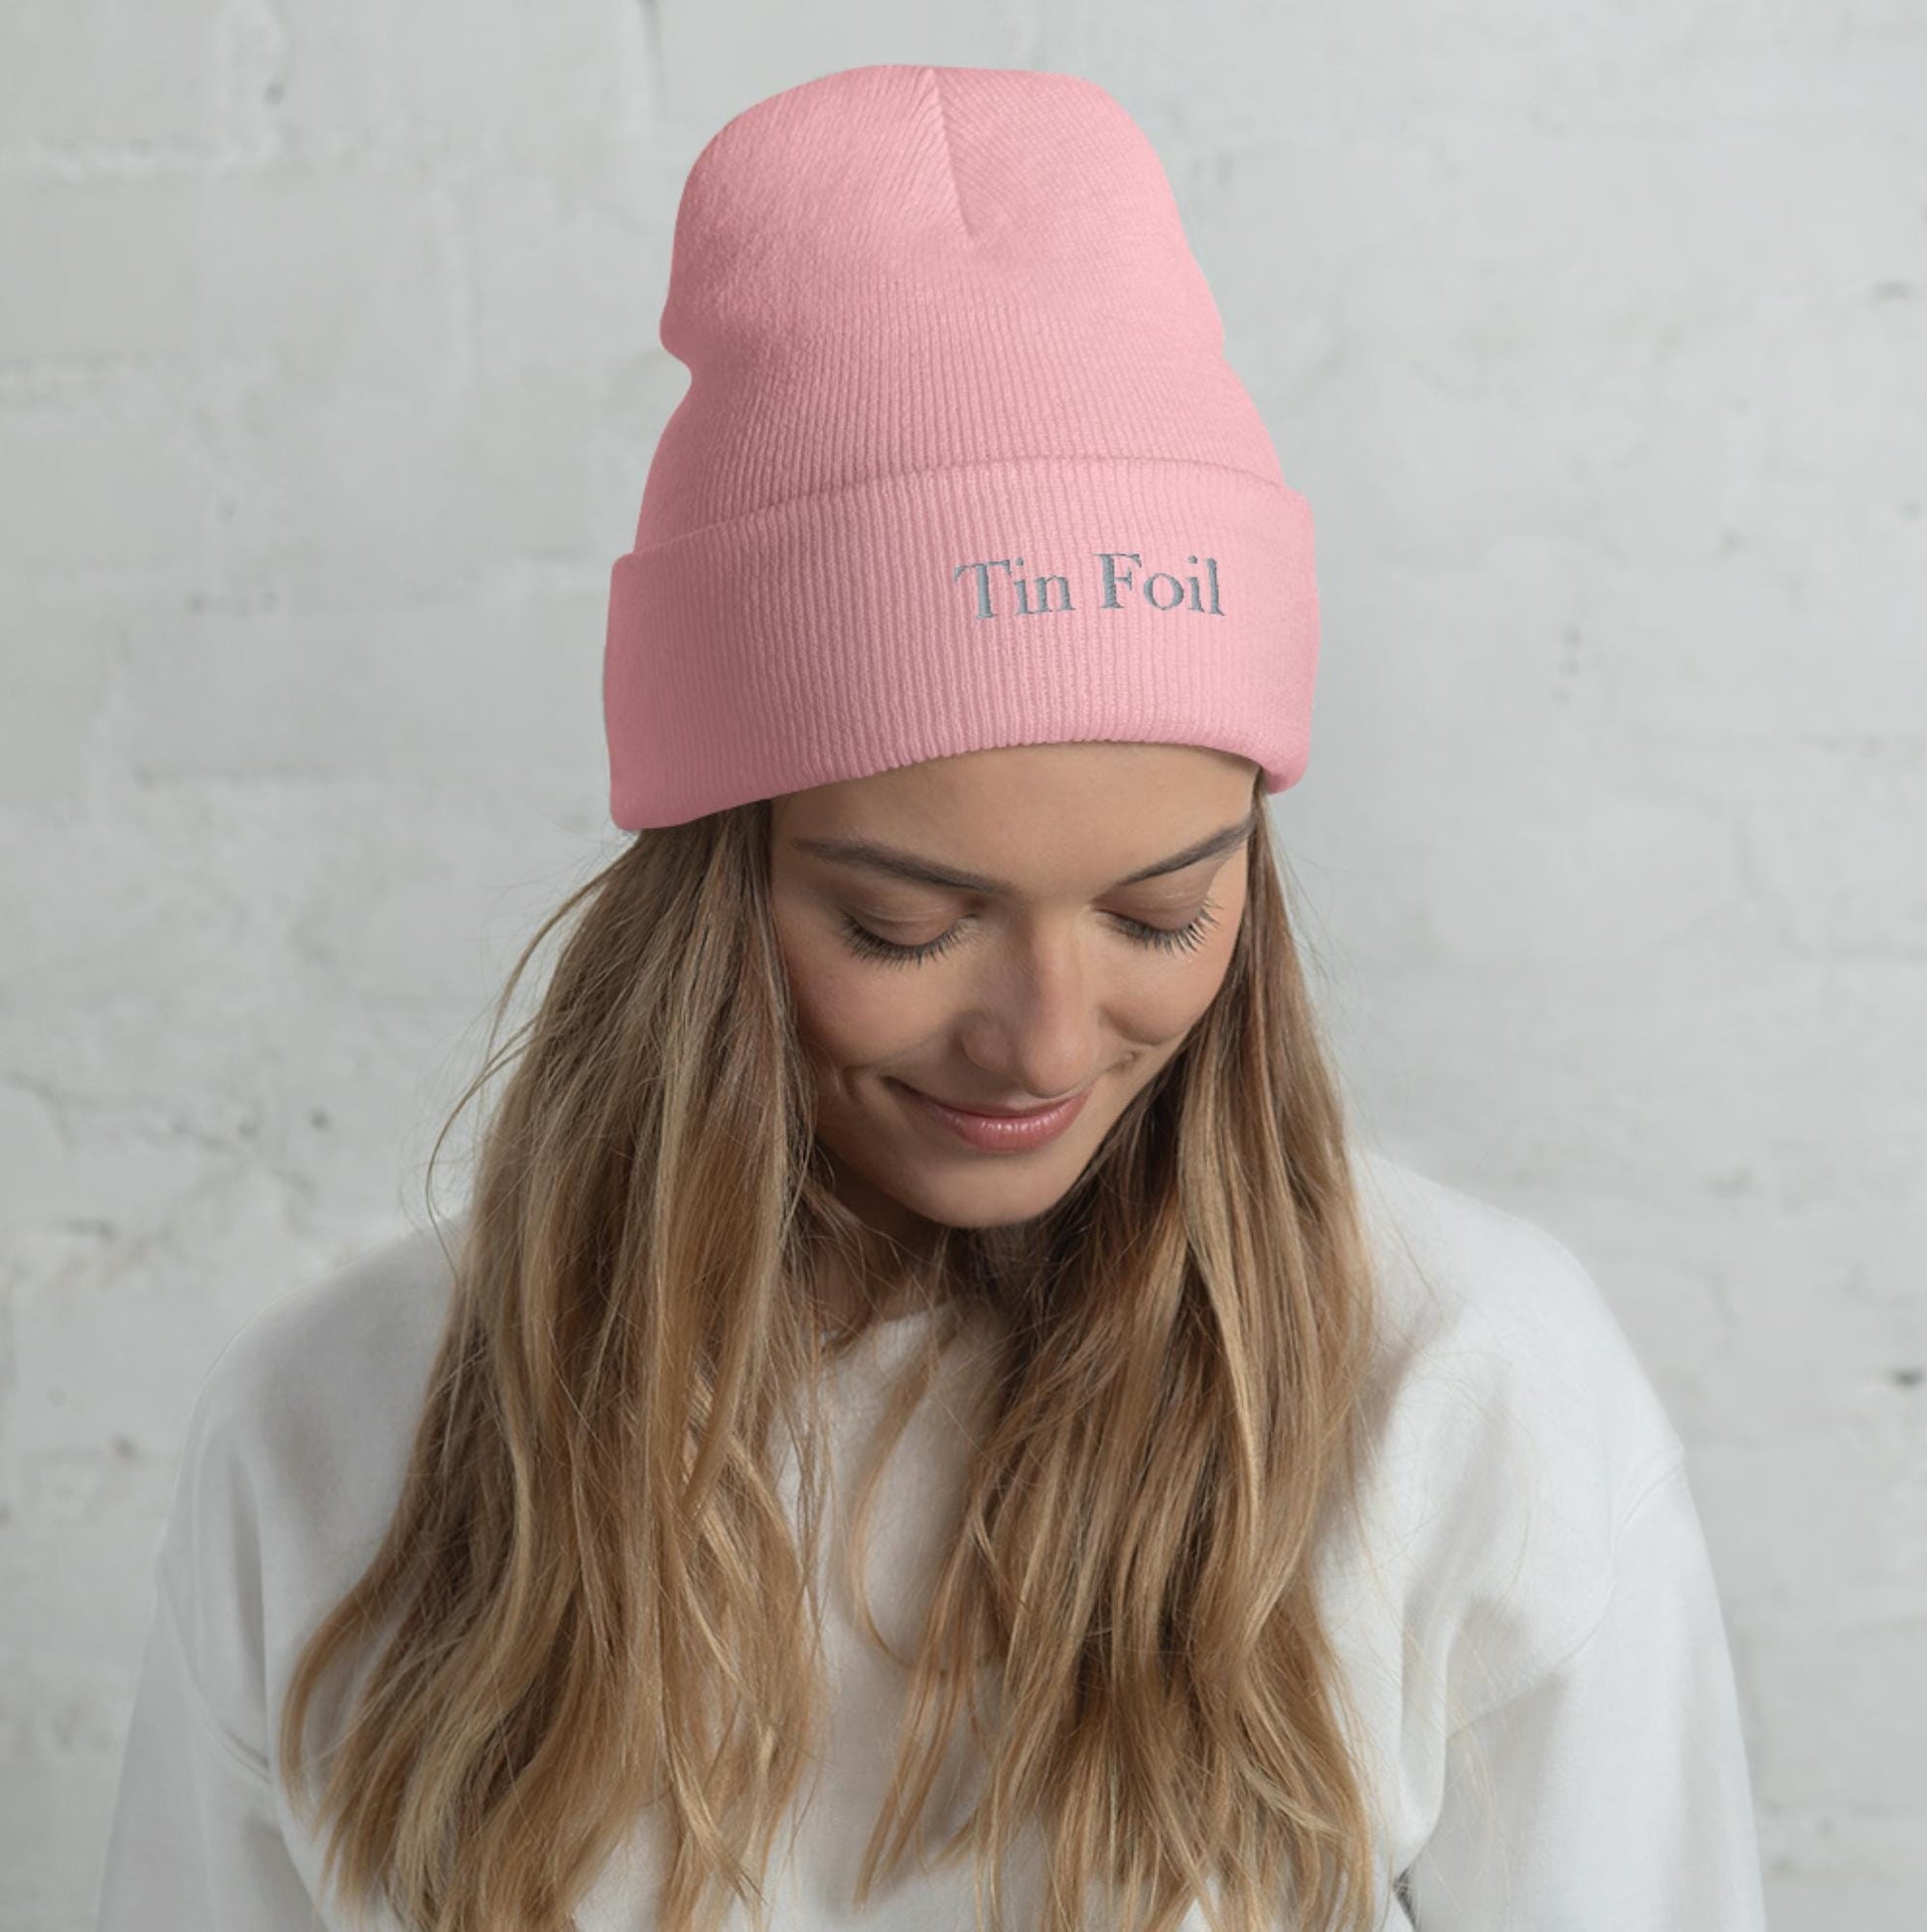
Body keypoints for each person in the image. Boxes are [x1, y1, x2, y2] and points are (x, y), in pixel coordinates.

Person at [93, 63, 1768, 1932]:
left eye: (1159, 914)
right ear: (711, 891)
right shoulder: (338, 1435)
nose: (1047, 1043)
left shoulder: (1466, 1399)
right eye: (904, 926)